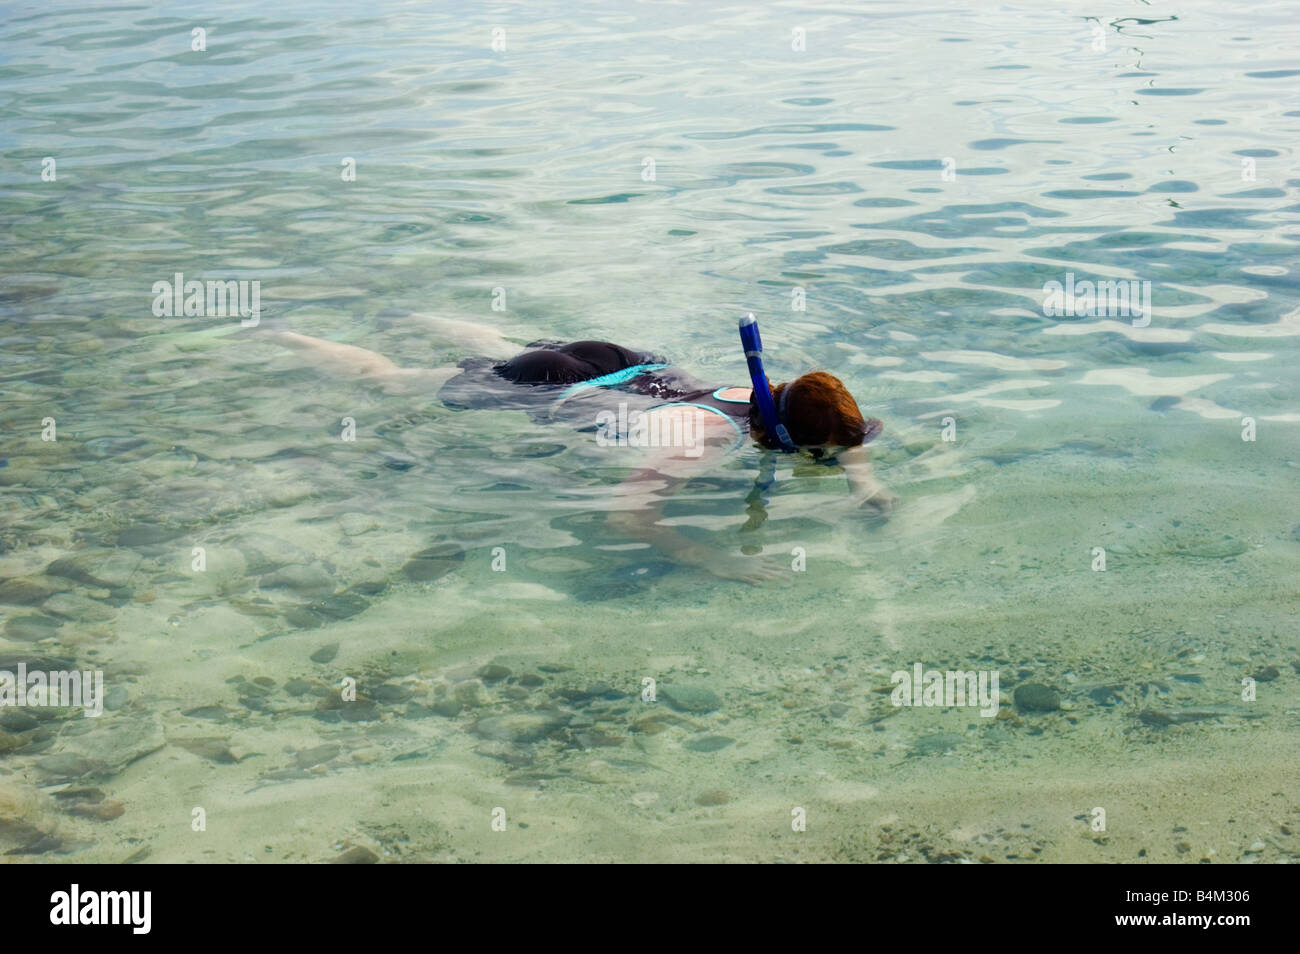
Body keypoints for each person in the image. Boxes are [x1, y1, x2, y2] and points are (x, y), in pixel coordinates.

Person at [272, 316, 894, 583]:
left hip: (619, 362)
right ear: (787, 440)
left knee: (499, 343)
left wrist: (862, 481)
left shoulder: (772, 394)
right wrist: (710, 559)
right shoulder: (705, 441)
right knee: (392, 381)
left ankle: (403, 313)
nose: (838, 457)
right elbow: (626, 517)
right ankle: (280, 337)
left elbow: (835, 435)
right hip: (553, 387)